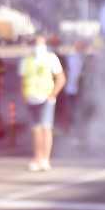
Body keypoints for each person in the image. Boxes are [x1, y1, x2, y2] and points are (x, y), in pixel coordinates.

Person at [19, 34, 65, 171]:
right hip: (31, 97)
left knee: (46, 127)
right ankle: (38, 157)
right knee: (36, 129)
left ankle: (46, 158)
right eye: (36, 44)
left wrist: (53, 94)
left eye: (41, 44)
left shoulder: (51, 58)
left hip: (46, 98)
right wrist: (24, 95)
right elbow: (22, 80)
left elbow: (61, 78)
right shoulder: (27, 60)